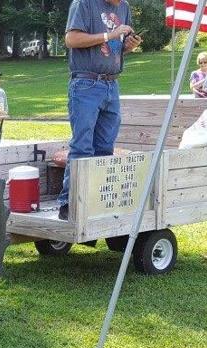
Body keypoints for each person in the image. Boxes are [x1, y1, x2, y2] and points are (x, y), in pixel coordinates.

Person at [57, 0, 142, 221]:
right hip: (86, 83)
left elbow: (118, 45)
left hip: (111, 84)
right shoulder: (84, 3)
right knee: (82, 146)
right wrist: (109, 35)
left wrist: (128, 45)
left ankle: (95, 203)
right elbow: (71, 39)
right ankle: (69, 204)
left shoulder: (123, 7)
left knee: (105, 147)